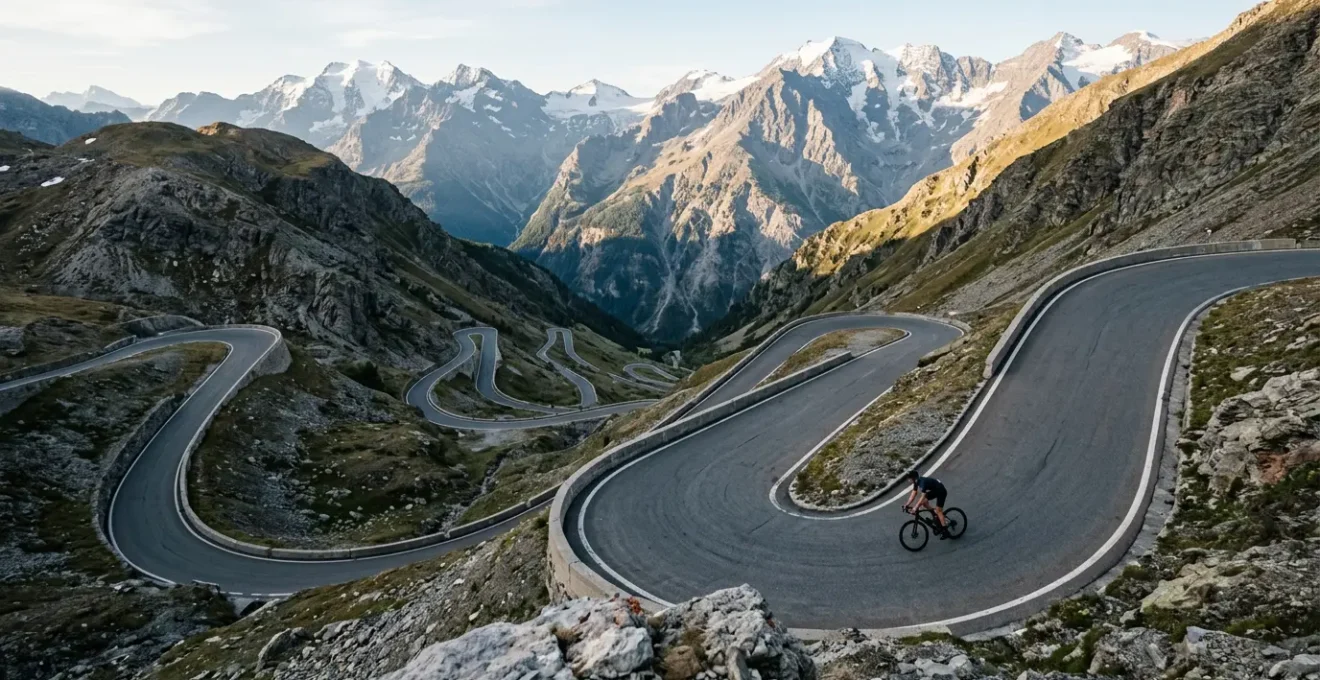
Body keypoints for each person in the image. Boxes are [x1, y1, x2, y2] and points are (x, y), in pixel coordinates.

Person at [902, 470, 950, 538]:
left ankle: (946, 532)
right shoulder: (916, 482)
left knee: (938, 510)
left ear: (913, 478)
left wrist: (915, 507)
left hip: (941, 491)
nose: (908, 480)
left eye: (909, 478)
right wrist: (906, 504)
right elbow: (913, 494)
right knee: (924, 503)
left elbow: (922, 497)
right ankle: (934, 513)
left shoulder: (922, 483)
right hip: (935, 490)